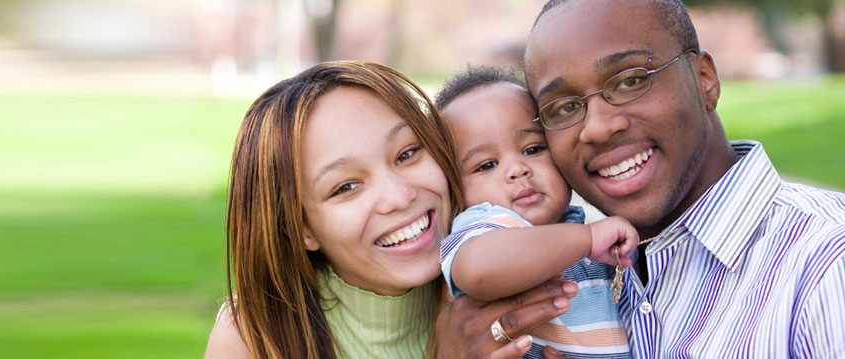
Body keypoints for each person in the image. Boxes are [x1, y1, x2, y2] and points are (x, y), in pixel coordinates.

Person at [523, 0, 845, 356]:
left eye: (630, 81)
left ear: (705, 79)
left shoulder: (825, 261)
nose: (597, 128)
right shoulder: (568, 289)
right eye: (564, 107)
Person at [204, 60, 579, 359]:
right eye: (345, 187)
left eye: (406, 153)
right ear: (302, 228)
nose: (399, 197)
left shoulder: (518, 269)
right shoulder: (255, 336)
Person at [433, 65, 636, 359]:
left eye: (532, 149)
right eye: (486, 165)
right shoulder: (484, 226)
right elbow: (480, 269)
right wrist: (588, 239)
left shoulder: (581, 229)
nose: (518, 169)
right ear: (455, 191)